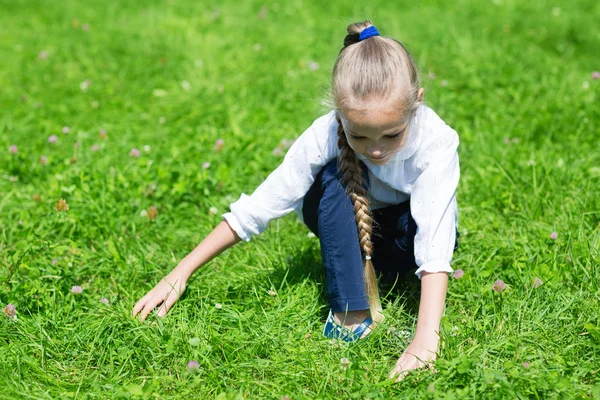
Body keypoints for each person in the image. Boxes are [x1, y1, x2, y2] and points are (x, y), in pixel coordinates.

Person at [132, 21, 460, 381]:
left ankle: (383, 280)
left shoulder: (436, 142)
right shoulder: (325, 132)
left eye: (392, 134)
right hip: (352, 234)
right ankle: (350, 313)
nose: (377, 148)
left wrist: (426, 338)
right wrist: (180, 272)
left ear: (418, 102)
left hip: (404, 244)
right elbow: (260, 205)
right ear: (339, 114)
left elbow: (434, 238)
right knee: (334, 178)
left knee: (420, 223)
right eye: (360, 136)